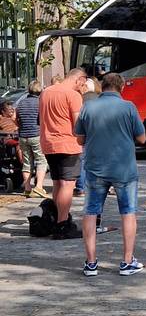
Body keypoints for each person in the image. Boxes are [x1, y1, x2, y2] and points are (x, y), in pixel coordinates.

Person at [74, 73, 146, 276]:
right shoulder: (129, 107)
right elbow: (142, 137)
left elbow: (79, 139)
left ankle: (91, 263)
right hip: (124, 168)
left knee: (90, 212)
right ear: (121, 87)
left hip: (95, 168)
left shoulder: (88, 107)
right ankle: (127, 261)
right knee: (128, 212)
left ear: (102, 86)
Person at [39, 68, 86, 240]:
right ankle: (63, 225)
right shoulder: (73, 95)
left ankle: (58, 220)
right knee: (68, 184)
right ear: (79, 79)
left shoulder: (45, 92)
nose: (83, 86)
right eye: (83, 83)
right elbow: (78, 124)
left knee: (57, 182)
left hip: (48, 144)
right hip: (67, 144)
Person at [16, 81, 49, 198]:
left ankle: (27, 188)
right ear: (40, 91)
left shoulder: (21, 103)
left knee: (27, 162)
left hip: (23, 136)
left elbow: (16, 119)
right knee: (41, 160)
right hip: (36, 135)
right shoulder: (40, 103)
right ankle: (39, 187)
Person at [74, 78, 99, 197]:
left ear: (86, 87)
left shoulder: (81, 99)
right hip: (98, 134)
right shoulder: (99, 98)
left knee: (83, 161)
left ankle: (81, 187)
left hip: (85, 133)